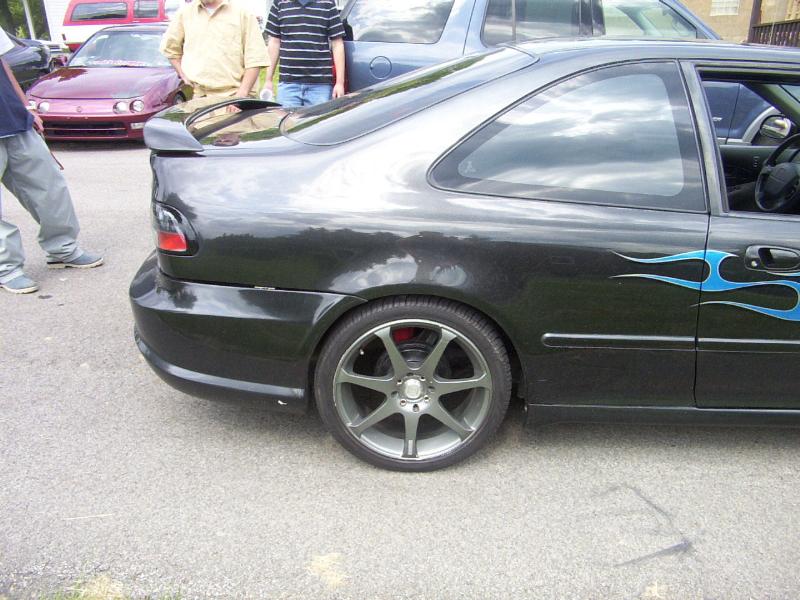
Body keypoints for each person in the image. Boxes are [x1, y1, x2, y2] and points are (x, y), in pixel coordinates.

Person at [0, 29, 103, 295]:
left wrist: (26, 107)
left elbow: (2, 63)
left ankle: (62, 249)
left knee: (50, 189)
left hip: (13, 119)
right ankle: (6, 268)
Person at [161, 0, 269, 110]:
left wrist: (240, 97)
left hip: (234, 101)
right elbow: (170, 49)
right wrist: (183, 75)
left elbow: (255, 59)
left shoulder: (243, 14)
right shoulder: (185, 13)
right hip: (196, 100)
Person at [265, 0, 346, 107]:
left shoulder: (328, 3)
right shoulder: (280, 3)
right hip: (288, 85)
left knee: (319, 118)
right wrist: (268, 80)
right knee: (287, 118)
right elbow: (274, 42)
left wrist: (340, 83)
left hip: (320, 86)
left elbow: (337, 44)